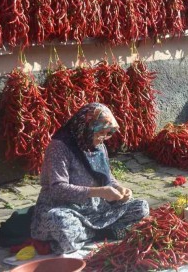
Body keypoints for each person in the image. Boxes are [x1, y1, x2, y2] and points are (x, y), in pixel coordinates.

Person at [31, 103, 149, 254]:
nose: (103, 139)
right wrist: (98, 191)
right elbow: (57, 189)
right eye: (101, 133)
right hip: (65, 207)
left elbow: (107, 176)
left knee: (141, 207)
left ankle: (89, 235)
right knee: (60, 222)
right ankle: (104, 232)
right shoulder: (59, 147)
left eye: (108, 134)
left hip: (96, 209)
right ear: (86, 127)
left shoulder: (98, 146)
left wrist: (119, 188)